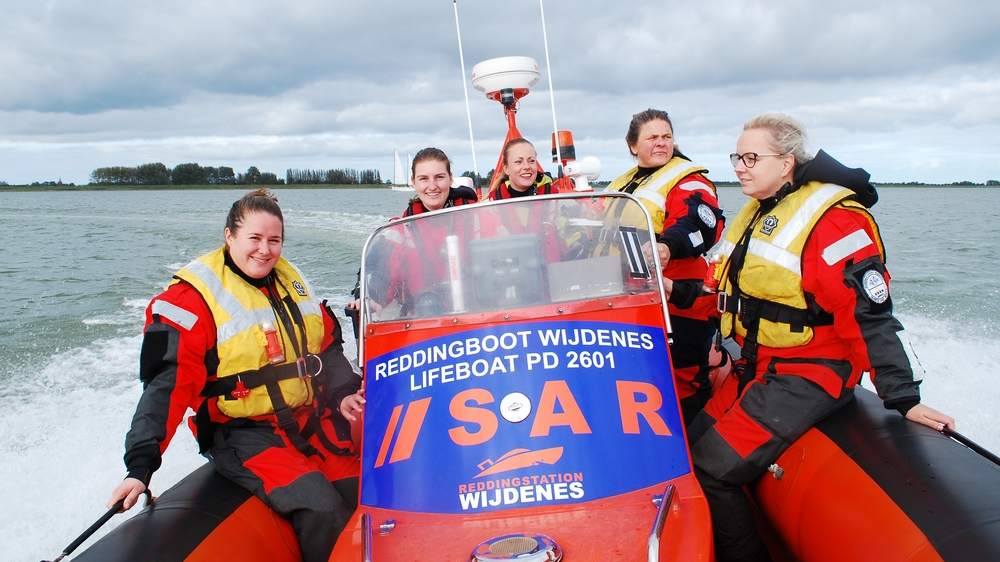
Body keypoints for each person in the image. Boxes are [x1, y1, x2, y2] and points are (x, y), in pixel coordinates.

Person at [687, 113, 955, 562]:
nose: (739, 166)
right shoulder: (759, 210)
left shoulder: (833, 221)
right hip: (758, 366)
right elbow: (729, 290)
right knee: (692, 441)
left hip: (809, 372)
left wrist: (904, 398)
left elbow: (869, 316)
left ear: (786, 162)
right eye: (737, 156)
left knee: (711, 470)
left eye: (751, 157)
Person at [107, 189, 364, 562]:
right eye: (254, 239)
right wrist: (140, 467)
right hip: (244, 434)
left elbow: (326, 346)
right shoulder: (192, 300)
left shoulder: (290, 283)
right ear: (229, 236)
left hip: (307, 421)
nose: (265, 250)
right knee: (321, 510)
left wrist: (342, 391)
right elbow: (166, 387)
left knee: (370, 493)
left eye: (274, 240)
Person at [606, 108, 725, 424]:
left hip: (679, 303)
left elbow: (698, 220)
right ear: (633, 145)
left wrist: (666, 246)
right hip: (631, 300)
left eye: (666, 136)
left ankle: (694, 444)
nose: (660, 143)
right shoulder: (624, 182)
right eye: (652, 137)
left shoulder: (688, 180)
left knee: (683, 382)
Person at [348, 147, 478, 318]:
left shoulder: (475, 216)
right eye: (424, 179)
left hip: (478, 313)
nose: (432, 186)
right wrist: (368, 297)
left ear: (450, 179)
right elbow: (382, 272)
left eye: (439, 177)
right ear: (413, 182)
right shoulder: (401, 229)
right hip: (422, 319)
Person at [488, 138, 557, 200]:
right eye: (519, 162)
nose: (527, 166)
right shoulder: (493, 203)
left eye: (531, 161)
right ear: (507, 169)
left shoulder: (554, 197)